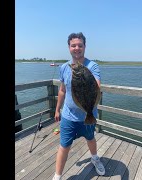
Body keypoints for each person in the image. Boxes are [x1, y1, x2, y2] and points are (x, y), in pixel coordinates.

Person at [53, 32, 105, 180]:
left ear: (84, 47)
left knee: (90, 138)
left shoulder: (92, 66)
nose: (77, 48)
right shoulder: (64, 67)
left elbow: (97, 87)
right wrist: (57, 109)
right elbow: (62, 90)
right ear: (69, 47)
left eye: (80, 45)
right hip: (68, 115)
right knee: (64, 145)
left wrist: (83, 73)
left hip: (88, 114)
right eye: (73, 45)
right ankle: (57, 176)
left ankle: (95, 158)